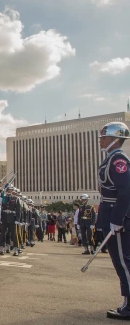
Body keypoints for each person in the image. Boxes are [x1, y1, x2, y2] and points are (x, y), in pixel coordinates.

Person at [94, 122, 130, 319]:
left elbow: (125, 191)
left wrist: (117, 219)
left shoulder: (118, 160)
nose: (101, 140)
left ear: (115, 140)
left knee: (124, 262)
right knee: (120, 262)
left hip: (118, 219)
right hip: (111, 215)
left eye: (104, 137)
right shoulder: (110, 159)